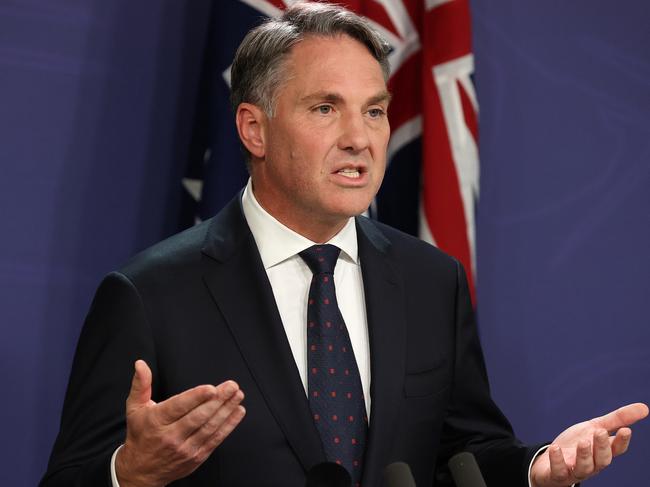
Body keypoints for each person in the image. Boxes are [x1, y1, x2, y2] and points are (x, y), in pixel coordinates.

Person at [41, 3, 647, 487]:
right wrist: (129, 475)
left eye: (376, 111)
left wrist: (537, 468)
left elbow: (464, 451)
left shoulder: (431, 280)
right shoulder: (151, 294)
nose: (360, 138)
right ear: (254, 128)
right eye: (326, 108)